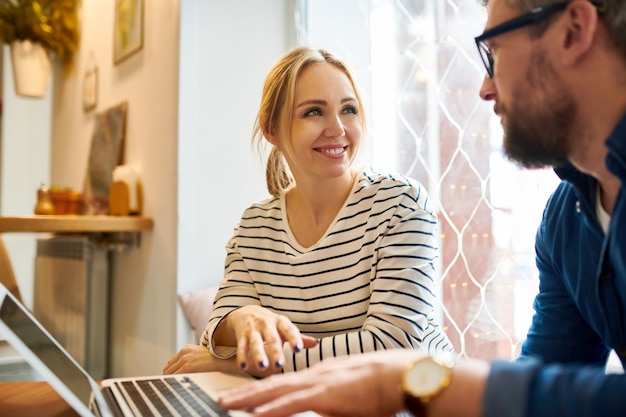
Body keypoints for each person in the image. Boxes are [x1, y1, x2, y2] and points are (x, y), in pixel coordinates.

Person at [214, 0, 626, 415]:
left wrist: (421, 383)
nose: (485, 86)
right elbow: (544, 385)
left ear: (573, 31)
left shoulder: (399, 202)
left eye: (494, 51)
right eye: (314, 111)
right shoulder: (566, 219)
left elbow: (400, 347)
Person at [163, 46, 452, 377]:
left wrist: (234, 365)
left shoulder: (400, 203)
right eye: (314, 112)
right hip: (308, 403)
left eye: (349, 109)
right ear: (271, 129)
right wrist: (243, 319)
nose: (337, 128)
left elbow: (392, 345)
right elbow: (219, 333)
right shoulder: (255, 226)